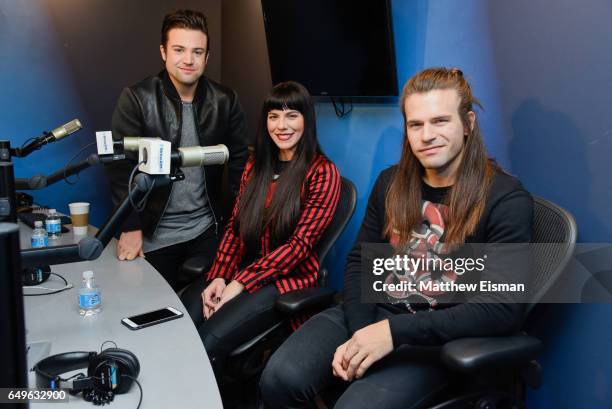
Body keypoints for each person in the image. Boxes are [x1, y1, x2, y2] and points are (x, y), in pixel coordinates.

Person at [260, 67, 533, 408]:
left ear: (468, 124)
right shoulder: (390, 183)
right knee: (279, 378)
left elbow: (503, 309)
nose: (426, 135)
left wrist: (392, 334)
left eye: (440, 121)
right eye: (415, 124)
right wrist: (363, 332)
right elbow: (362, 262)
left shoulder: (505, 198)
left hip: (435, 337)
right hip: (371, 314)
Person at [181, 80, 341, 380]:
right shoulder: (256, 166)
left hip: (286, 281)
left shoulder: (322, 172)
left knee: (207, 341)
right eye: (273, 116)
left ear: (307, 119)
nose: (282, 125)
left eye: (291, 115)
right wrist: (219, 275)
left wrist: (239, 282)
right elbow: (235, 228)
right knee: (181, 322)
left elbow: (299, 247)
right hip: (245, 270)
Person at [105, 9, 248, 291]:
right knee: (145, 312)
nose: (188, 60)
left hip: (207, 230)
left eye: (197, 52)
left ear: (207, 57)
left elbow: (239, 164)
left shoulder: (225, 100)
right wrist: (130, 226)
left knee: (208, 308)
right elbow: (119, 166)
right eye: (179, 49)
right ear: (163, 51)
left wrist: (233, 228)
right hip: (153, 233)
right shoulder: (137, 98)